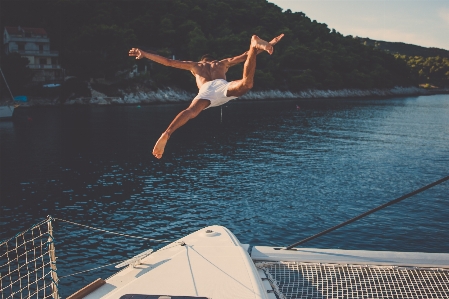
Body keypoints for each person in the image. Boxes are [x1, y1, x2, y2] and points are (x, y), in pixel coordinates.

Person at [129, 33, 284, 159]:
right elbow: (246, 56)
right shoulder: (222, 63)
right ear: (212, 60)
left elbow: (168, 61)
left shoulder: (195, 65)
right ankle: (253, 42)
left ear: (202, 61)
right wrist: (267, 44)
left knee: (191, 112)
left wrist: (145, 54)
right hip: (222, 85)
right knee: (246, 83)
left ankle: (167, 133)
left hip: (205, 91)